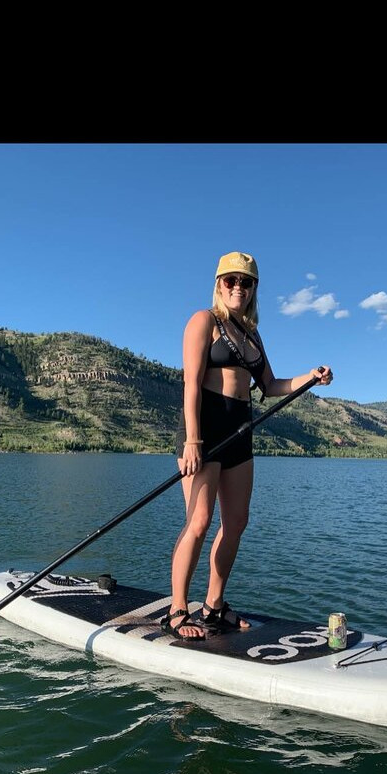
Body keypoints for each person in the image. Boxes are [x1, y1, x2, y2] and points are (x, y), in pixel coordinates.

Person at [161, 251, 334, 640]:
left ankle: (213, 606)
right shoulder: (204, 321)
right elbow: (191, 384)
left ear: (254, 288)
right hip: (205, 428)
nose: (238, 287)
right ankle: (177, 609)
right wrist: (193, 440)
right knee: (199, 521)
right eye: (231, 280)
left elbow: (270, 386)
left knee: (236, 522)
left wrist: (310, 377)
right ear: (219, 284)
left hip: (240, 430)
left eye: (247, 281)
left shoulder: (252, 334)